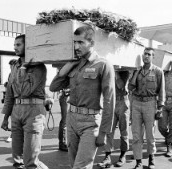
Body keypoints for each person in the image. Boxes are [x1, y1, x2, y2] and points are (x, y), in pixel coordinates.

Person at [49, 25, 115, 169]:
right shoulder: (74, 64)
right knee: (73, 164)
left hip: (90, 123)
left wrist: (104, 132)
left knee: (81, 166)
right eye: (74, 42)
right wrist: (68, 65)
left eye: (80, 42)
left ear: (91, 43)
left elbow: (110, 101)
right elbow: (54, 87)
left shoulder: (103, 65)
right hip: (72, 119)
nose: (76, 46)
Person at [0, 34, 48, 169]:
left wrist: (23, 68)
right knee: (17, 159)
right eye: (14, 45)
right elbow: (10, 93)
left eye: (18, 45)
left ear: (28, 46)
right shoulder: (14, 67)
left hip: (34, 112)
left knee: (30, 160)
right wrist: (6, 117)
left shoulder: (39, 68)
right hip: (16, 112)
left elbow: (25, 91)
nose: (15, 47)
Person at [128, 47, 165, 169]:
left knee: (150, 135)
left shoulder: (158, 71)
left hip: (150, 103)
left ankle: (151, 159)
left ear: (153, 57)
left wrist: (160, 108)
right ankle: (138, 162)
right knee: (136, 135)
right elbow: (130, 88)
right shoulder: (137, 71)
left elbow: (161, 91)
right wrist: (135, 73)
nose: (146, 56)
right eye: (144, 54)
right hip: (137, 103)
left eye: (149, 54)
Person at [97, 70, 130, 168]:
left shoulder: (125, 73)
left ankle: (123, 155)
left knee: (124, 131)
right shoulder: (107, 71)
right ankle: (107, 157)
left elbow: (121, 86)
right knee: (108, 131)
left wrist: (115, 72)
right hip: (110, 102)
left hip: (122, 103)